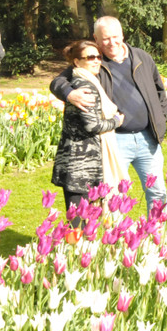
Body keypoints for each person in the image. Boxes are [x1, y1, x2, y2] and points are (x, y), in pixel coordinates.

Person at [50, 16, 167, 215]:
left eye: (115, 37)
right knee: (114, 198)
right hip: (114, 140)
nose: (112, 42)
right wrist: (69, 93)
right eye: (105, 39)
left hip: (147, 138)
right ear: (96, 39)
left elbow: (159, 92)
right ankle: (117, 241)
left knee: (157, 192)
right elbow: (57, 82)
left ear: (122, 35)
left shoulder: (141, 57)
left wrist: (160, 118)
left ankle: (157, 236)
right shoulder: (94, 60)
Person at [51, 40, 128, 226]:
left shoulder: (85, 80)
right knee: (79, 221)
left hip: (78, 161)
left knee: (83, 220)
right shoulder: (84, 86)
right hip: (81, 164)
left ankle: (79, 253)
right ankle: (75, 254)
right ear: (77, 62)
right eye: (90, 57)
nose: (96, 61)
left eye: (98, 57)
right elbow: (92, 126)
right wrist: (116, 121)